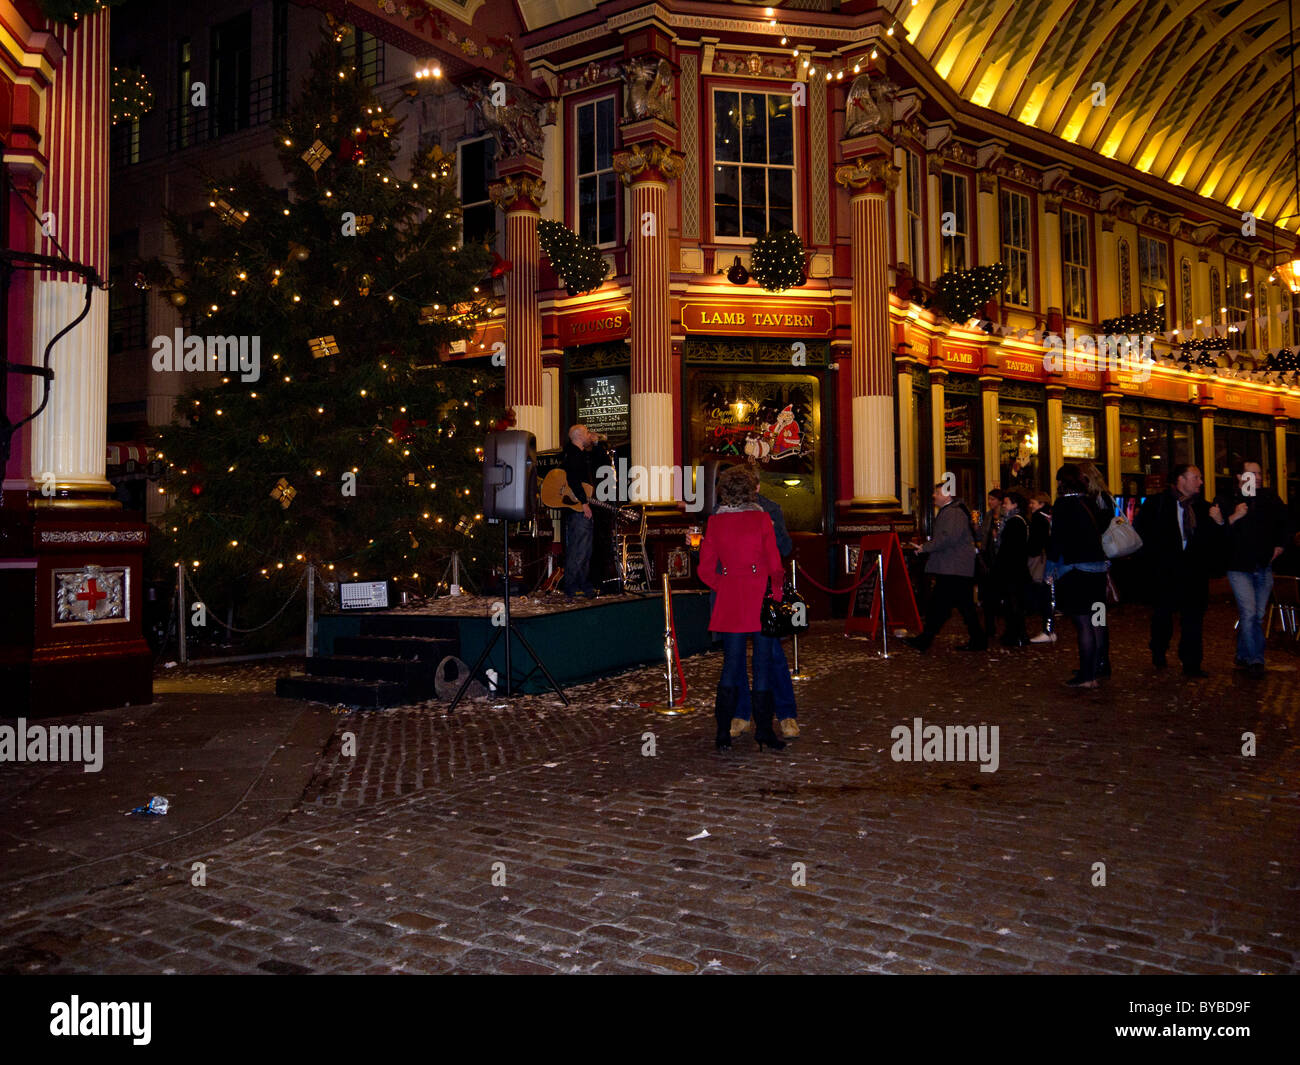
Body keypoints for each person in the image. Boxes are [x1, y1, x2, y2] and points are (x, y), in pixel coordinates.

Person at [699, 465, 787, 752]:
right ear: (751, 490)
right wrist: (776, 593)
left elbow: (704, 569)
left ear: (724, 491)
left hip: (730, 597)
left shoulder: (715, 522)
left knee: (731, 665)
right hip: (759, 592)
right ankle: (764, 731)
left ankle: (723, 733)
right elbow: (775, 563)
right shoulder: (762, 520)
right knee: (762, 666)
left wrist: (723, 585)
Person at [723, 470, 801, 741]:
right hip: (733, 594)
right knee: (734, 658)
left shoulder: (770, 510)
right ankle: (742, 715)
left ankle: (786, 714)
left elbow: (784, 547)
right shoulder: (721, 512)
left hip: (762, 591)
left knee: (772, 656)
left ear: (756, 487)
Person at [1134, 464, 1220, 678]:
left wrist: (1218, 522)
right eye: (1196, 477)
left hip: (1194, 573)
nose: (1201, 482)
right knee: (1163, 615)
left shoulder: (1203, 508)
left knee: (1193, 619)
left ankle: (1192, 663)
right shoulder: (1158, 504)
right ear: (1180, 479)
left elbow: (1213, 542)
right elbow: (1142, 534)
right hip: (1165, 572)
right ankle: (1159, 650)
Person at [1212, 461, 1289, 676]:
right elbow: (1218, 534)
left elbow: (1285, 522)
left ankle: (1243, 653)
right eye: (1252, 473)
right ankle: (1256, 659)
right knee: (1249, 612)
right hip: (1238, 567)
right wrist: (1234, 517)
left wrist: (1280, 546)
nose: (1257, 477)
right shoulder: (1226, 499)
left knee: (1256, 614)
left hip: (1263, 565)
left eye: (1259, 473)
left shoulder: (1269, 498)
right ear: (1239, 477)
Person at [904, 481, 986, 653]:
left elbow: (947, 538)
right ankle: (977, 639)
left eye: (937, 492)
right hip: (954, 568)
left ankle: (926, 639)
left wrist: (925, 548)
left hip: (953, 568)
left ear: (947, 495)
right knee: (959, 606)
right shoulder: (953, 511)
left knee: (943, 606)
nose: (934, 496)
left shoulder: (953, 513)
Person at [1047, 464, 1109, 688]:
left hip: (1077, 570)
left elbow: (1057, 540)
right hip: (1098, 568)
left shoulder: (1063, 504)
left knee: (1083, 623)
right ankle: (1098, 668)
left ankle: (1086, 676)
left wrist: (1050, 568)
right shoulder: (1091, 502)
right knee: (1096, 622)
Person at [559, 423, 610, 598]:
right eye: (587, 432)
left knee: (584, 548)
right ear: (579, 436)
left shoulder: (580, 454)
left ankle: (582, 584)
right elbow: (573, 480)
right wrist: (583, 503)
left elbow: (604, 462)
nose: (590, 434)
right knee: (579, 548)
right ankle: (573, 585)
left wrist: (596, 444)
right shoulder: (574, 455)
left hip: (580, 508)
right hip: (579, 509)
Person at [1077, 461, 1116, 677]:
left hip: (1093, 563)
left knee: (1092, 615)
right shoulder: (1105, 498)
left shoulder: (1091, 501)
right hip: (1102, 562)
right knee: (1098, 615)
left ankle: (1097, 660)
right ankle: (1101, 660)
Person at [994, 491, 1030, 647]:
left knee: (1013, 604)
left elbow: (1009, 548)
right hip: (1017, 568)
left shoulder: (1014, 522)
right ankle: (1017, 634)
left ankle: (1016, 635)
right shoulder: (1020, 521)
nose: (1003, 505)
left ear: (1015, 505)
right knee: (1014, 603)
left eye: (1006, 502)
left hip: (1012, 569)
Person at [1026, 491, 1056, 643]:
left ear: (1041, 504)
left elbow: (1035, 543)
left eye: (1033, 503)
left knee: (1044, 592)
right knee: (1049, 592)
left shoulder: (1038, 518)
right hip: (1051, 558)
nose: (1031, 506)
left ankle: (1048, 629)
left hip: (1042, 559)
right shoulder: (1051, 516)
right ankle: (1049, 628)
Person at [978, 488, 1005, 640]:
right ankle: (989, 627)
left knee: (998, 594)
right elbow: (983, 534)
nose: (990, 502)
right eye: (989, 499)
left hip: (999, 557)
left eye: (993, 499)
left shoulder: (1004, 516)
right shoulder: (988, 515)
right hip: (987, 556)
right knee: (988, 594)